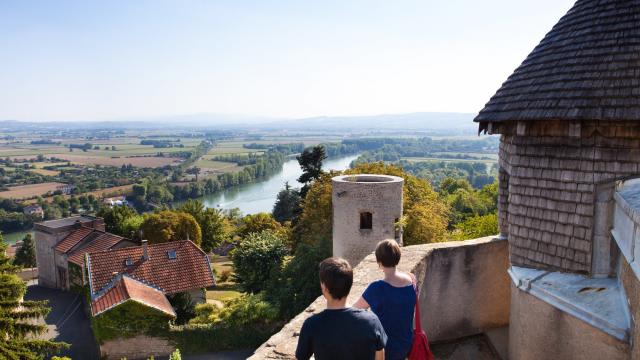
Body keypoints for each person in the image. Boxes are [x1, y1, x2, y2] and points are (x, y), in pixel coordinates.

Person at [296, 257, 387, 360]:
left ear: (324, 287)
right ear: (350, 285)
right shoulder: (372, 321)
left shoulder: (311, 325)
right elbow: (380, 357)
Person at [353, 240, 416, 360]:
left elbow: (354, 311)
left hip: (384, 349)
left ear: (379, 262)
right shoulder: (412, 280)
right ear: (398, 257)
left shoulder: (377, 288)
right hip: (405, 344)